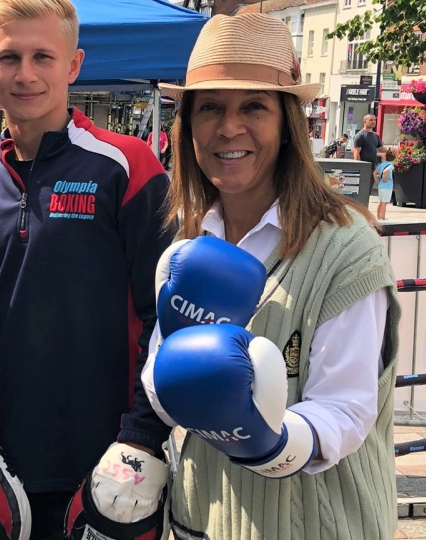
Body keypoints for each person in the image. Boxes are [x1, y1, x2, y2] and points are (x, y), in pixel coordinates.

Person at [153, 14, 400, 540]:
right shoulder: (186, 247)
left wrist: (267, 441)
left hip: (316, 525)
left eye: (254, 108)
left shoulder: (346, 247)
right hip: (203, 520)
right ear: (188, 126)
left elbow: (347, 411)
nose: (229, 127)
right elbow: (161, 381)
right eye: (211, 108)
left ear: (288, 123)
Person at [0, 0, 174, 538]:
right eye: (9, 57)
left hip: (111, 462)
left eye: (42, 57)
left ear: (73, 65)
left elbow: (166, 314)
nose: (25, 74)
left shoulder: (128, 166)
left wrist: (142, 434)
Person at [353, 114, 387, 183]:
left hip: (373, 168)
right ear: (364, 122)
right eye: (370, 120)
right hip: (364, 168)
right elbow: (356, 153)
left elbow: (381, 149)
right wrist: (360, 168)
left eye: (374, 120)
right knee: (362, 190)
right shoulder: (360, 135)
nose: (373, 122)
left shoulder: (375, 135)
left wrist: (392, 150)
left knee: (368, 190)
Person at [375, 148, 396, 220]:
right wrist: (385, 178)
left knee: (380, 202)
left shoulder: (382, 164)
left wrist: (377, 181)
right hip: (387, 186)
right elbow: (385, 171)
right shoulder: (391, 165)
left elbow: (374, 172)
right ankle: (383, 217)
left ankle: (378, 216)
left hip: (381, 186)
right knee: (384, 203)